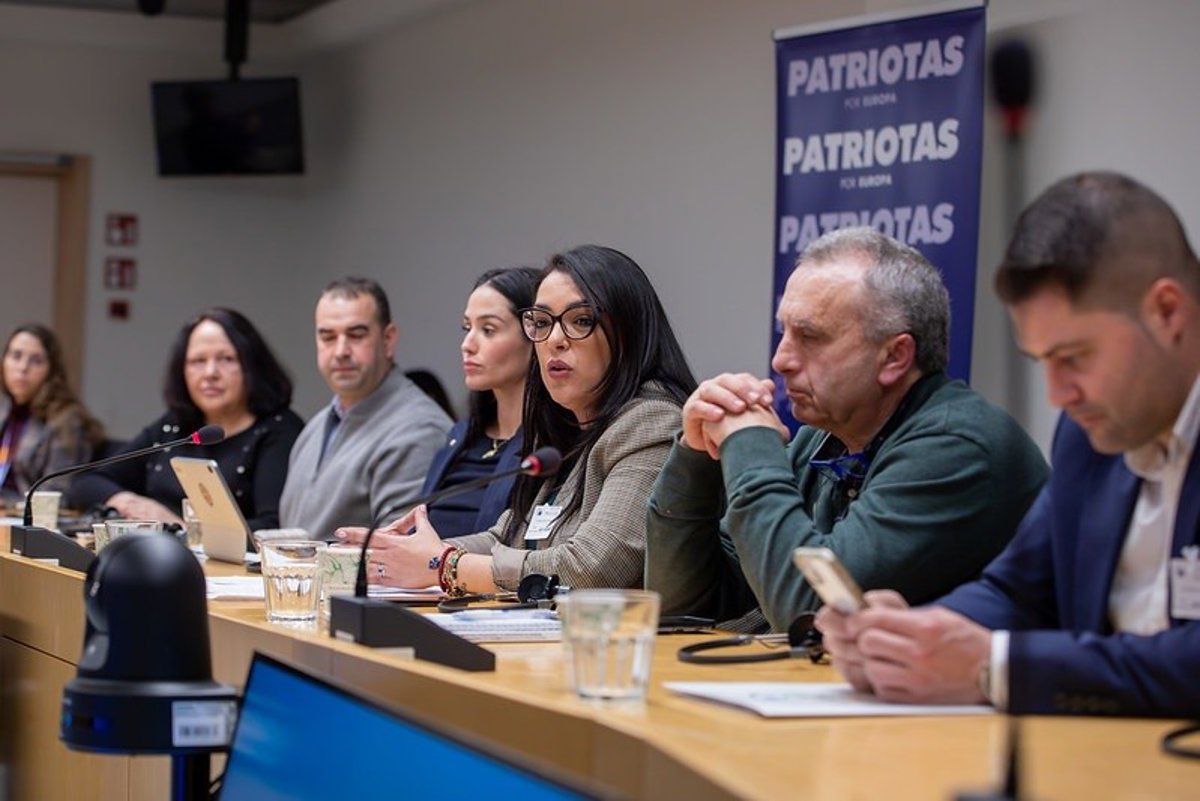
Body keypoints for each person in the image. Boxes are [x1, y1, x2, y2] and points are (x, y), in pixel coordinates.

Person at [817, 172, 1200, 718]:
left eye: (1075, 357)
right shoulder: (1088, 436)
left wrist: (995, 666)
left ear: (1166, 312)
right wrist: (912, 639)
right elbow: (1017, 591)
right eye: (1042, 361)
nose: (1057, 395)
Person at [645, 227, 1049, 632]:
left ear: (894, 356)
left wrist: (750, 445)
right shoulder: (823, 438)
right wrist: (696, 459)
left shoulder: (956, 446)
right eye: (784, 331)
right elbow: (682, 609)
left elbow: (811, 612)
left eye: (809, 336)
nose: (781, 359)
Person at [337, 245, 697, 593]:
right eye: (541, 322)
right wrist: (397, 554)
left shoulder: (650, 421)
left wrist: (444, 565)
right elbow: (505, 538)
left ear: (629, 331)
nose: (554, 340)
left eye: (581, 321)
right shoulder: (570, 427)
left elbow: (591, 567)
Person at [70, 308, 302, 530]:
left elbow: (272, 528)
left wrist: (181, 527)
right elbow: (87, 482)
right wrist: (127, 502)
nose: (210, 373)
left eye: (227, 359)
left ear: (252, 365)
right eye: (198, 361)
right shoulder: (175, 426)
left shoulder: (279, 430)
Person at [279, 277, 452, 539]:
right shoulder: (315, 426)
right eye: (327, 337)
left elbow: (397, 550)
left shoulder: (419, 429)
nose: (340, 351)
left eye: (356, 335)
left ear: (388, 339)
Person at [420, 267, 540, 536]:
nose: (467, 344)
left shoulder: (551, 449)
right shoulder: (460, 436)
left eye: (488, 329)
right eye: (467, 327)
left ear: (535, 338)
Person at [0, 323, 104, 502]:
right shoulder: (5, 410)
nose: (23, 367)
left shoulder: (66, 420)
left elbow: (56, 494)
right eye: (16, 356)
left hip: (26, 514)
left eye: (36, 360)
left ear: (51, 370)